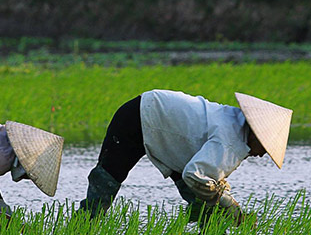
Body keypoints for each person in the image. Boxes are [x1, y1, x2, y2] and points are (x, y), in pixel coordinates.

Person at [78, 90, 292, 225]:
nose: (262, 154)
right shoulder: (231, 141)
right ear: (254, 132)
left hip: (166, 130)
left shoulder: (233, 122)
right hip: (137, 118)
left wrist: (229, 205)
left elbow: (210, 177)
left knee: (207, 206)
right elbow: (196, 175)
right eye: (264, 147)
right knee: (105, 183)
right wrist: (231, 207)